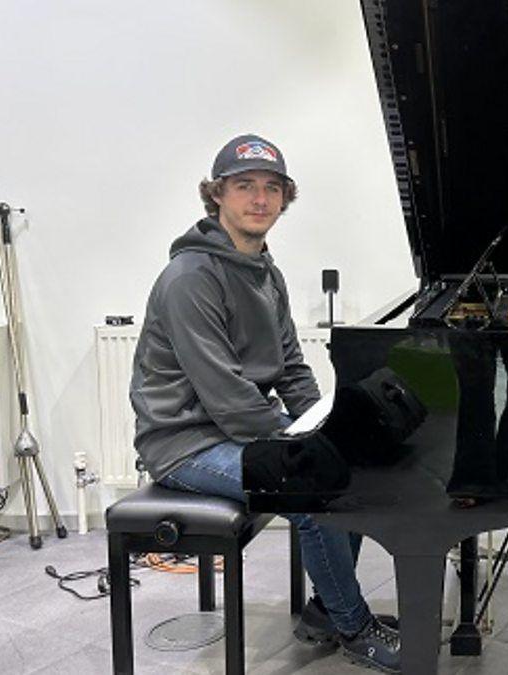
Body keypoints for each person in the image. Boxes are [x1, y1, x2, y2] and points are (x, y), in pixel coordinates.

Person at [129, 133, 400, 673]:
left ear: (283, 198)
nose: (259, 199)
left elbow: (293, 368)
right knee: (308, 483)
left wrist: (331, 424)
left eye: (271, 188)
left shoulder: (266, 273)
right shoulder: (190, 278)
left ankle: (326, 609)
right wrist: (300, 440)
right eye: (244, 186)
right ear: (217, 196)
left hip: (231, 428)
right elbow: (226, 395)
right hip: (185, 441)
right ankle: (353, 625)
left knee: (349, 462)